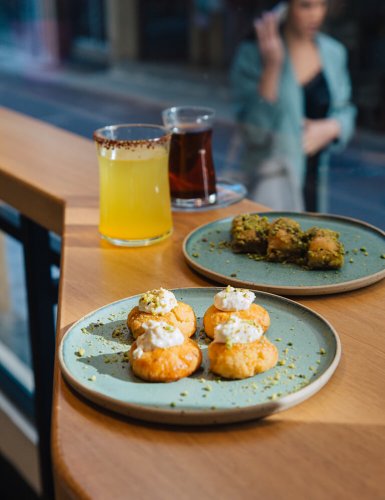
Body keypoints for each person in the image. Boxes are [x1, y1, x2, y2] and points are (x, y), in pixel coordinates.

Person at [230, 0, 356, 211]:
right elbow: (253, 133)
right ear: (284, 8)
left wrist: (332, 128)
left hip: (316, 181)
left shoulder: (334, 53)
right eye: (305, 6)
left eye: (322, 5)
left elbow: (346, 110)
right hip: (272, 181)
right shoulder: (253, 53)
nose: (315, 15)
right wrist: (273, 66)